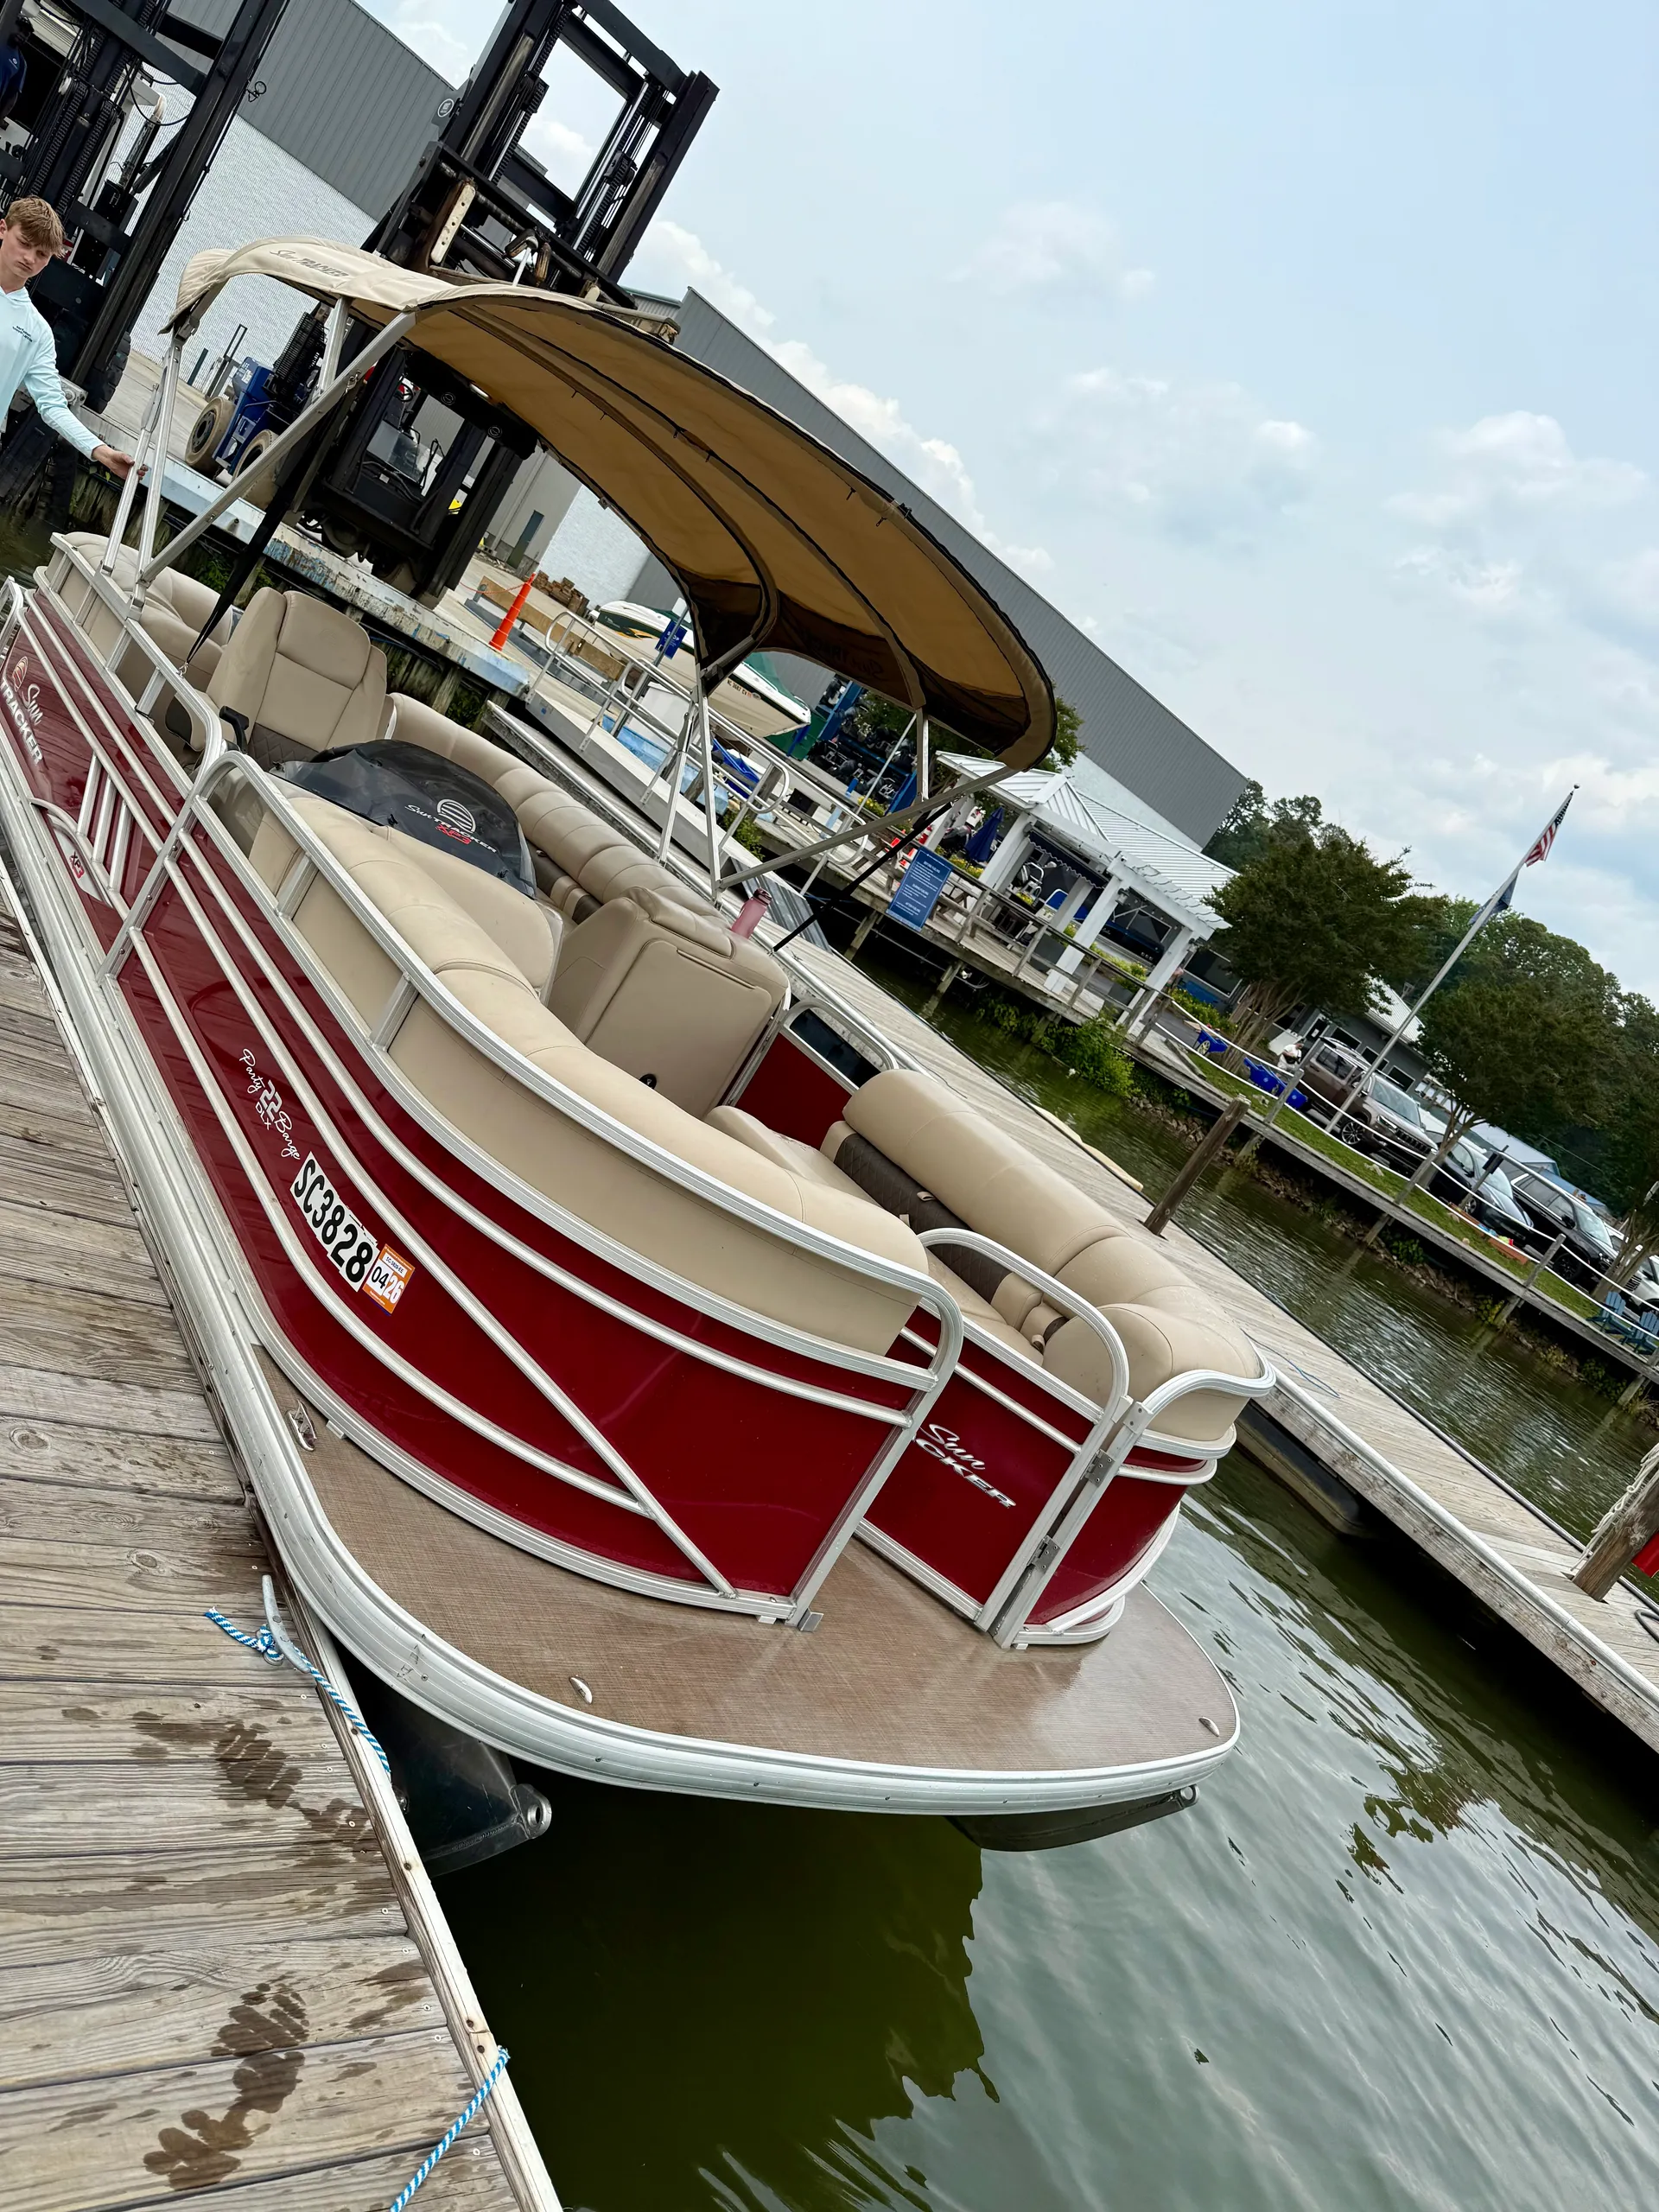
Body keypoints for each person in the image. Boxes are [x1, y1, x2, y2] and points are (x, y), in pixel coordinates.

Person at [0, 196, 135, 479]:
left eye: (42, 254)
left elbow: (52, 404)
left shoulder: (37, 331)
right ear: (3, 229)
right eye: (24, 243)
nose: (29, 258)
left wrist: (101, 452)